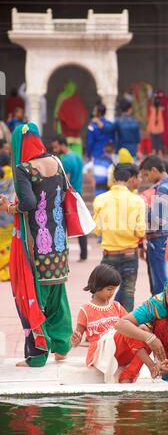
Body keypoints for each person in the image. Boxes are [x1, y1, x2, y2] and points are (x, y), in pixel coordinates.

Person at [0, 123, 72, 367]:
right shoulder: (57, 161)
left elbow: (28, 204)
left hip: (36, 243)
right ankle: (62, 348)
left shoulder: (23, 169)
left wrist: (9, 207)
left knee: (33, 295)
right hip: (59, 241)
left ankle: (38, 355)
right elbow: (61, 196)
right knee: (57, 294)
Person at [71, 264, 158, 383]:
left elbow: (131, 326)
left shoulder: (116, 306)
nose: (112, 293)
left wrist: (141, 327)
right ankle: (152, 366)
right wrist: (75, 340)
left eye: (114, 289)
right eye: (109, 289)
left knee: (144, 333)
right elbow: (77, 339)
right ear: (97, 286)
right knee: (126, 332)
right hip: (103, 353)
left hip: (121, 351)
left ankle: (128, 375)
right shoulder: (85, 310)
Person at [93, 164, 146, 312]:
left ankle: (102, 323)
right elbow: (140, 232)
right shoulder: (137, 201)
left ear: (114, 179)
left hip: (109, 254)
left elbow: (97, 229)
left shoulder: (100, 199)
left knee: (102, 293)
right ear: (129, 179)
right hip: (130, 253)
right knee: (129, 292)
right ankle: (126, 328)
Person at [139, 155, 168, 295]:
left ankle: (162, 314)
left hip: (159, 237)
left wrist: (144, 212)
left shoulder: (163, 188)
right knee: (166, 277)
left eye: (146, 174)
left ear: (154, 170)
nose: (146, 178)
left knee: (160, 283)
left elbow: (158, 219)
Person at [52, 134, 87, 263]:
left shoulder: (65, 160)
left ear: (61, 144)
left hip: (69, 195)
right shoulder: (77, 157)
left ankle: (62, 252)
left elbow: (65, 180)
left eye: (56, 147)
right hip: (79, 193)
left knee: (64, 223)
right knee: (79, 222)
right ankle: (84, 254)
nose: (55, 149)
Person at [54, 80, 88, 157]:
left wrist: (55, 121)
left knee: (63, 148)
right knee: (76, 153)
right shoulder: (78, 99)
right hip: (76, 135)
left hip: (64, 129)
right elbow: (83, 114)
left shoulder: (62, 96)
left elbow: (58, 112)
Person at [0, 152, 14, 281]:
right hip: (9, 214)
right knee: (10, 244)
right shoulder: (13, 175)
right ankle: (9, 272)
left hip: (0, 216)